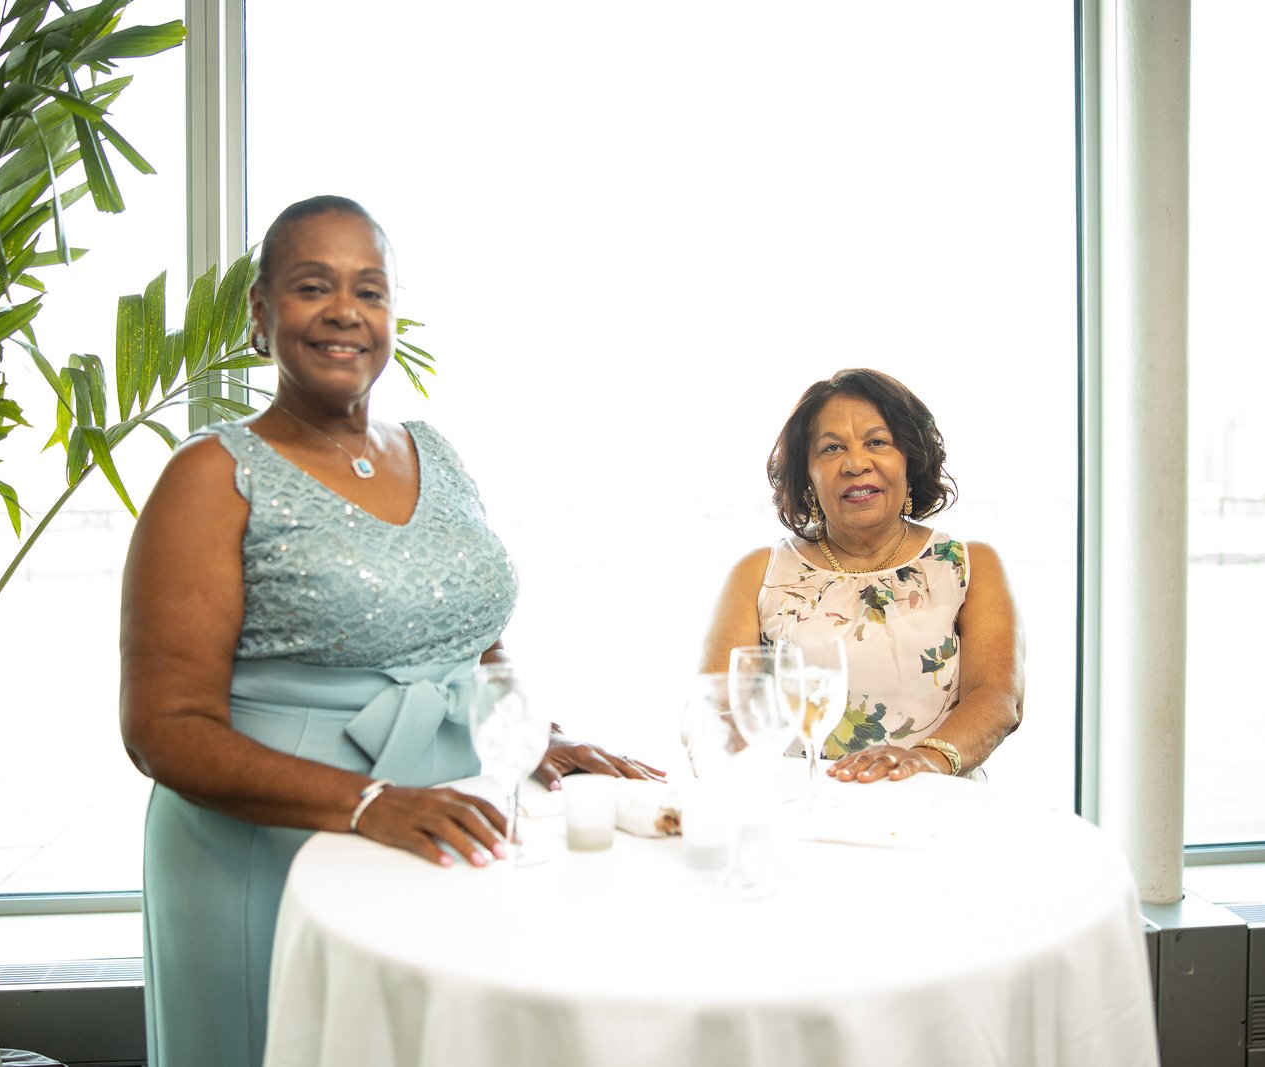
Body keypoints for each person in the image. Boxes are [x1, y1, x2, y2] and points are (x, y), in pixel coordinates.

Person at [119, 195, 659, 1067]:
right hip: (269, 851)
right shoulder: (209, 475)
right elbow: (163, 729)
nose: (345, 311)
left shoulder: (435, 450)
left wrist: (536, 738)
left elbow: (472, 641)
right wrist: (371, 801)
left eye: (368, 290)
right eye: (313, 287)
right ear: (260, 311)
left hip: (442, 826)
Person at [701, 368, 1024, 783]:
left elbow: (998, 696)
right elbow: (716, 706)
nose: (855, 464)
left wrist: (922, 762)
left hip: (933, 800)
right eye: (832, 448)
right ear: (807, 474)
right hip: (800, 803)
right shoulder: (758, 572)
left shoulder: (970, 564)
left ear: (910, 458)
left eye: (877, 442)